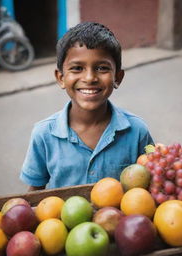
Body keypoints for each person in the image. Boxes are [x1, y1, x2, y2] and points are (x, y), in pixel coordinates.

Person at [20, 22, 154, 191]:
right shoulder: (43, 134)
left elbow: (151, 182)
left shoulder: (137, 131)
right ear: (61, 77)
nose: (90, 78)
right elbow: (34, 193)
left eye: (102, 68)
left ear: (118, 77)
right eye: (77, 68)